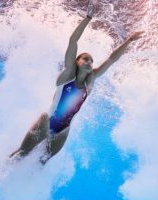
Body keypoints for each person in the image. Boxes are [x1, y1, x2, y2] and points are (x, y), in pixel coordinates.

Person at [8, 1, 143, 165]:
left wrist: (128, 41)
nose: (90, 62)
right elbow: (73, 41)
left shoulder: (90, 83)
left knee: (41, 162)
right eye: (86, 59)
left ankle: (21, 187)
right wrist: (87, 19)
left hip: (62, 131)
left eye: (92, 61)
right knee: (22, 153)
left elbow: (112, 59)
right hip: (46, 122)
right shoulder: (67, 76)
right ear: (77, 61)